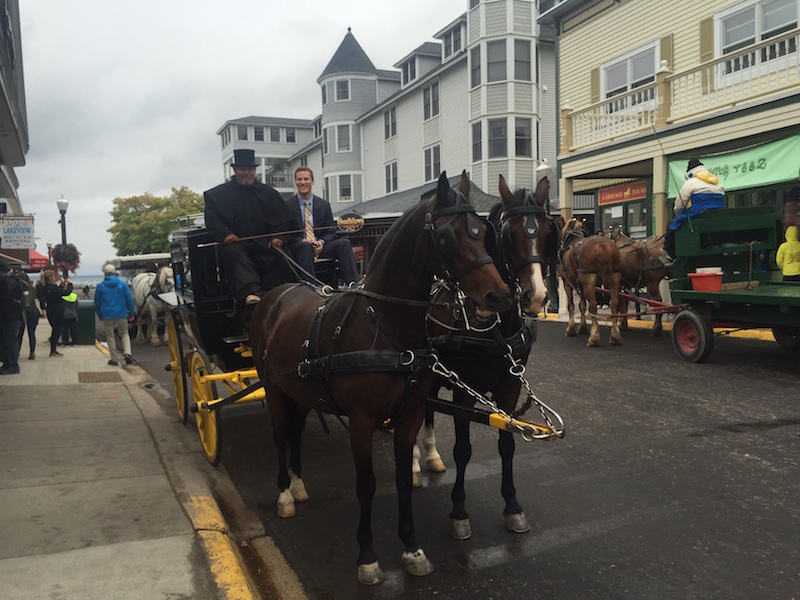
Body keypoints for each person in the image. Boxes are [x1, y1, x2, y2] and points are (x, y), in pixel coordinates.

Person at [204, 148, 301, 305]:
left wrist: (278, 237)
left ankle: (280, 292)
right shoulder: (217, 196)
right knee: (235, 255)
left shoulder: (269, 193)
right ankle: (252, 294)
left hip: (265, 246)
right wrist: (225, 235)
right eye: (242, 169)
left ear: (255, 170)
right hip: (236, 246)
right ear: (235, 170)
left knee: (281, 254)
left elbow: (283, 221)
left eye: (249, 169)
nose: (246, 173)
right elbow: (213, 220)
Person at [286, 167, 360, 285]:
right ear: (295, 182)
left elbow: (331, 232)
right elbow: (286, 236)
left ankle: (353, 284)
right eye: (299, 179)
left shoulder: (324, 205)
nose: (303, 182)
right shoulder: (287, 206)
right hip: (300, 249)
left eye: (306, 179)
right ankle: (311, 287)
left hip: (321, 247)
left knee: (344, 243)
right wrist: (302, 240)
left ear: (312, 181)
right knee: (306, 247)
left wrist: (321, 242)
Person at [663, 158, 725, 260]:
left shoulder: (691, 183)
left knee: (671, 225)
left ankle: (671, 254)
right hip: (716, 219)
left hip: (696, 216)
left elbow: (679, 205)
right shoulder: (718, 183)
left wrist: (678, 215)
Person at [95, 262, 135, 366]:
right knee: (124, 333)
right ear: (114, 272)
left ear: (105, 274)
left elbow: (97, 302)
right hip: (121, 313)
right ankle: (127, 353)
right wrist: (131, 312)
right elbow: (129, 299)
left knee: (110, 336)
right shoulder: (122, 284)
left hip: (107, 315)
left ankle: (114, 359)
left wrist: (99, 314)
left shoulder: (101, 286)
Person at [40, 270, 73, 357]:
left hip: (50, 311)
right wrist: (69, 284)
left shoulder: (46, 288)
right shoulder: (53, 289)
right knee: (57, 330)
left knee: (55, 330)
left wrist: (61, 286)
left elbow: (57, 292)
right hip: (57, 312)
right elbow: (66, 293)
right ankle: (53, 350)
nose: (55, 278)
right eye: (54, 277)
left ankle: (53, 349)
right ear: (50, 278)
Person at [0, 260, 23, 374]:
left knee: (10, 341)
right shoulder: (14, 280)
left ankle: (12, 365)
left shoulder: (7, 283)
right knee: (9, 341)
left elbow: (6, 299)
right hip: (14, 316)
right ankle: (8, 363)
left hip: (9, 317)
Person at [18, 274, 41, 360]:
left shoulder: (22, 290)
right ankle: (32, 352)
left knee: (20, 334)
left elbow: (25, 304)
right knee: (31, 333)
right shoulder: (32, 289)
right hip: (34, 312)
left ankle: (16, 352)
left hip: (25, 313)